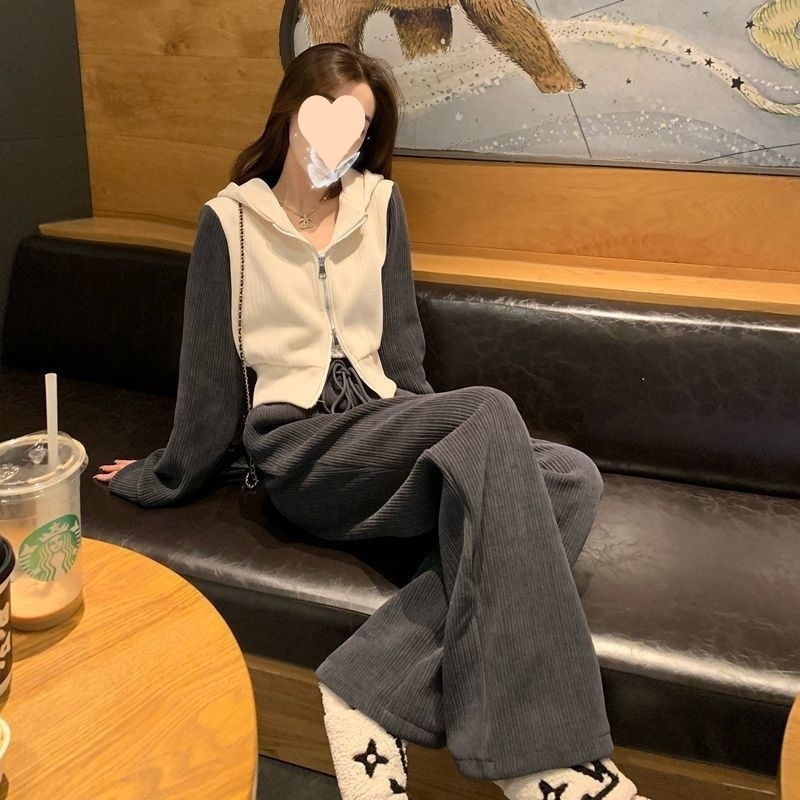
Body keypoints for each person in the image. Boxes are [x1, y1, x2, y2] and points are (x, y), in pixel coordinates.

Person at [93, 42, 649, 800]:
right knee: (488, 412)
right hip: (302, 448)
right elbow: (210, 380)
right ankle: (544, 760)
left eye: (357, 130)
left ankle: (365, 687)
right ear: (288, 115)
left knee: (572, 479)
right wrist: (162, 475)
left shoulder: (379, 206)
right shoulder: (230, 223)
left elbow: (404, 350)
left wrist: (443, 446)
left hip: (385, 424)